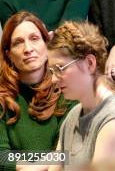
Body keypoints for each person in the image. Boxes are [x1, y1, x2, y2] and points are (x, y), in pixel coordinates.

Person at [47, 21, 115, 171]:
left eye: (59, 69)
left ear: (90, 63)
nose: (53, 79)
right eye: (51, 72)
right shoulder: (73, 115)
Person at [0, 12, 70, 171]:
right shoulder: (2, 95)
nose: (28, 49)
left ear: (47, 44)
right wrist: (42, 162)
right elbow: (1, 157)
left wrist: (32, 167)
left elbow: (70, 152)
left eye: (34, 39)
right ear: (9, 54)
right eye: (18, 42)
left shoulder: (67, 87)